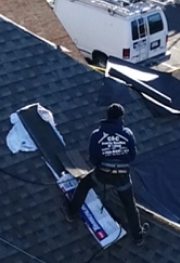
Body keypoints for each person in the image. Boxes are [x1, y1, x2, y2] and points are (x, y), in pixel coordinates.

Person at [62, 103, 149, 245]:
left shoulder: (97, 135)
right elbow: (132, 156)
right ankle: (137, 236)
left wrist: (103, 163)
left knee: (84, 185)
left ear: (107, 117)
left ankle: (72, 213)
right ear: (121, 117)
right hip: (122, 177)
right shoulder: (127, 134)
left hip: (102, 173)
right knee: (129, 204)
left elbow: (92, 157)